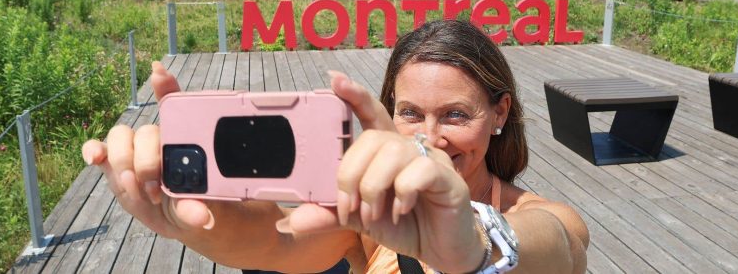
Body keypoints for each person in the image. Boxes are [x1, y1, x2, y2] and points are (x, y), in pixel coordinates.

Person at [83, 20, 589, 273]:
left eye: (456, 115)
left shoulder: (541, 214)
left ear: (500, 114)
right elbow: (276, 242)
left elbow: (561, 244)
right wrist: (204, 224)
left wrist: (472, 245)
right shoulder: (372, 217)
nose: (431, 138)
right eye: (411, 113)